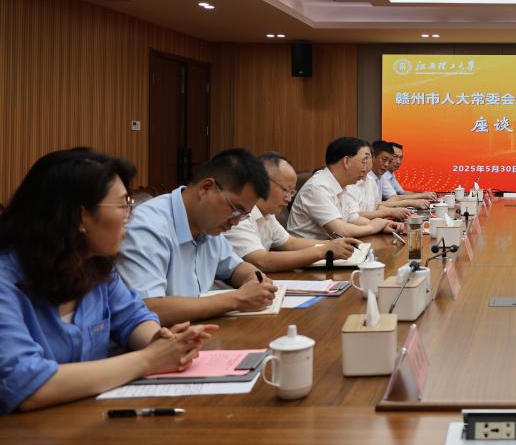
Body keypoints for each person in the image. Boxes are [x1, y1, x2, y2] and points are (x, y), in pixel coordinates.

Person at [0, 148, 216, 413]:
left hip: (87, 421)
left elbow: (134, 317)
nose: (129, 217)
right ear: (79, 217)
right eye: (123, 205)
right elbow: (24, 385)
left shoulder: (95, 266)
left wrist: (162, 341)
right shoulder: (5, 280)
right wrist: (149, 359)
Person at [117, 149, 279, 326]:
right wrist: (237, 299)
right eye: (235, 210)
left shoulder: (208, 224)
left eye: (243, 215)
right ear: (206, 188)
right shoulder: (148, 227)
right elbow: (147, 308)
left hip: (196, 332)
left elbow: (235, 267)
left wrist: (253, 278)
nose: (235, 221)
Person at [224, 152, 364, 271]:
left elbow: (290, 243)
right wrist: (323, 251)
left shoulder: (268, 215)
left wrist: (333, 245)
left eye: (292, 192)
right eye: (286, 190)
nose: (289, 198)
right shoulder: (238, 214)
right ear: (262, 182)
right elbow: (260, 261)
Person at [288, 137, 402, 240]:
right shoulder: (318, 187)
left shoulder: (344, 185)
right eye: (364, 161)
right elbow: (340, 231)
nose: (366, 167)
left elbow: (353, 218)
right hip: (309, 253)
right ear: (346, 161)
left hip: (331, 248)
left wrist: (383, 226)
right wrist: (372, 227)